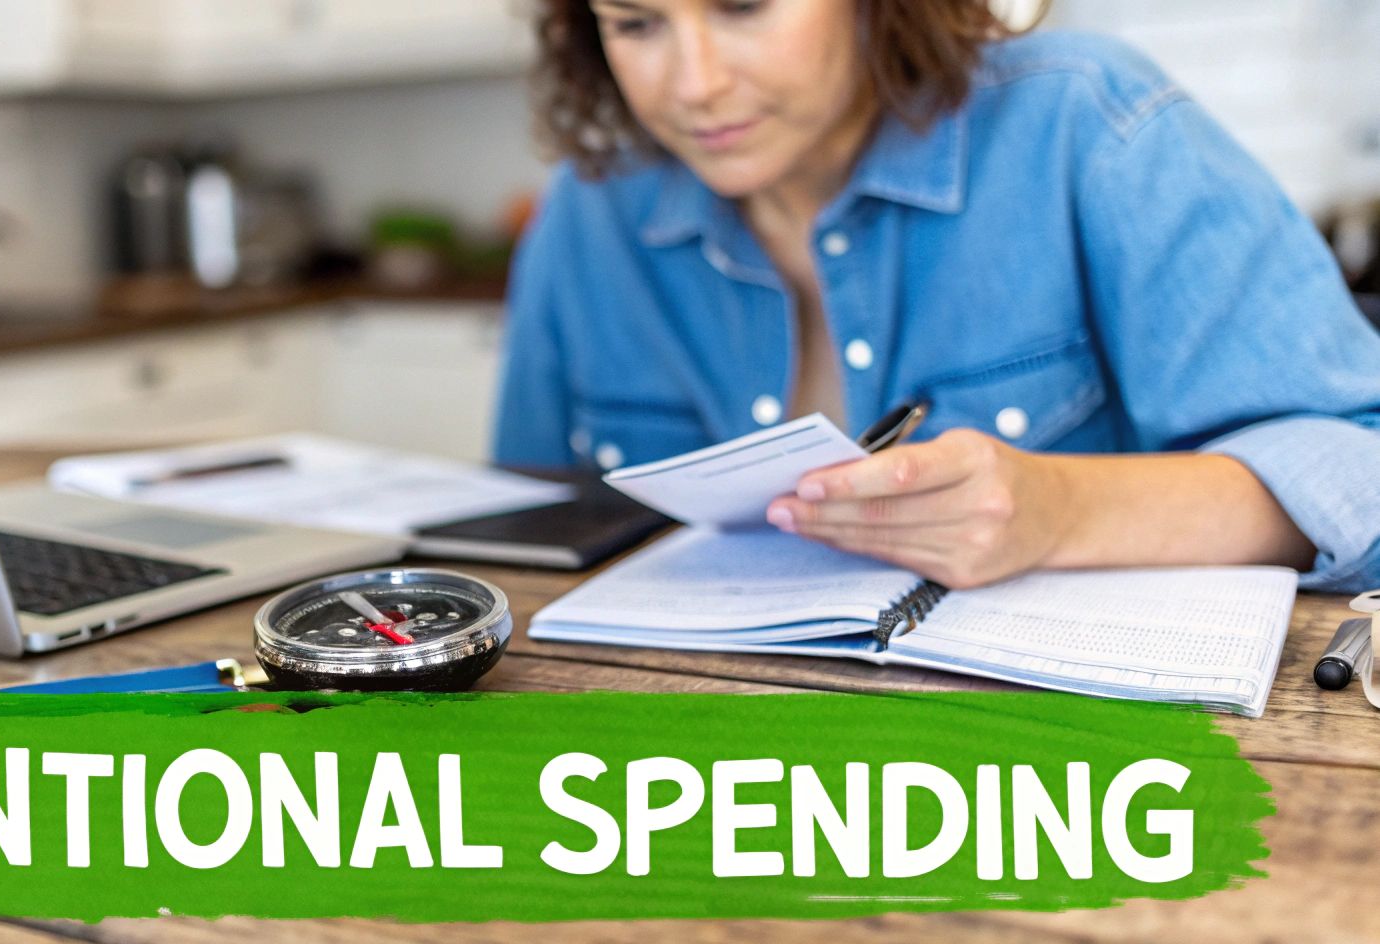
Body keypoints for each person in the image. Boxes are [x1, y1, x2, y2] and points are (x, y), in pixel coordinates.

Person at [493, 0, 1380, 593]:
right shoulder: (589, 206)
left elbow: (1358, 471)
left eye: (744, 4)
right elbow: (519, 534)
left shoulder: (1089, 122)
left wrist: (1061, 511)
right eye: (636, 23)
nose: (693, 85)